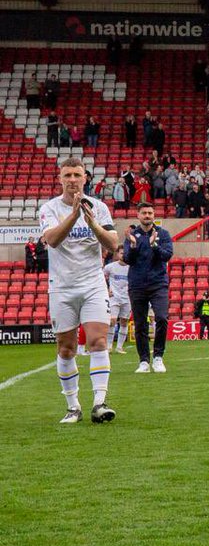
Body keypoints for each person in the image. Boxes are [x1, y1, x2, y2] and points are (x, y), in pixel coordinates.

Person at [39, 157, 119, 423]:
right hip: (61, 287)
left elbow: (112, 245)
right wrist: (74, 215)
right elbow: (51, 240)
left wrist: (92, 222)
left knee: (97, 341)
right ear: (60, 179)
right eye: (68, 175)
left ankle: (99, 402)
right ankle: (73, 406)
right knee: (66, 348)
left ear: (85, 178)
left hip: (92, 284)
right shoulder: (49, 208)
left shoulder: (99, 207)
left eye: (77, 175)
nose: (72, 179)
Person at [124, 202, 174, 374]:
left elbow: (167, 255)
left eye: (150, 213)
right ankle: (144, 360)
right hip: (137, 284)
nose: (147, 216)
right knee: (140, 324)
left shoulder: (163, 234)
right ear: (138, 215)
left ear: (154, 215)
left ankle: (158, 357)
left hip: (158, 283)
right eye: (144, 213)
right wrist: (132, 246)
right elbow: (128, 260)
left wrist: (154, 245)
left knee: (161, 317)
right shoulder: (132, 235)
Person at [103, 246, 130, 354]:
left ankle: (119, 347)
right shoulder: (110, 267)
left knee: (124, 321)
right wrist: (106, 289)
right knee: (112, 321)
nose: (123, 255)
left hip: (127, 298)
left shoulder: (131, 267)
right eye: (121, 253)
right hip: (114, 297)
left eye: (125, 253)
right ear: (117, 254)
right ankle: (109, 346)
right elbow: (100, 277)